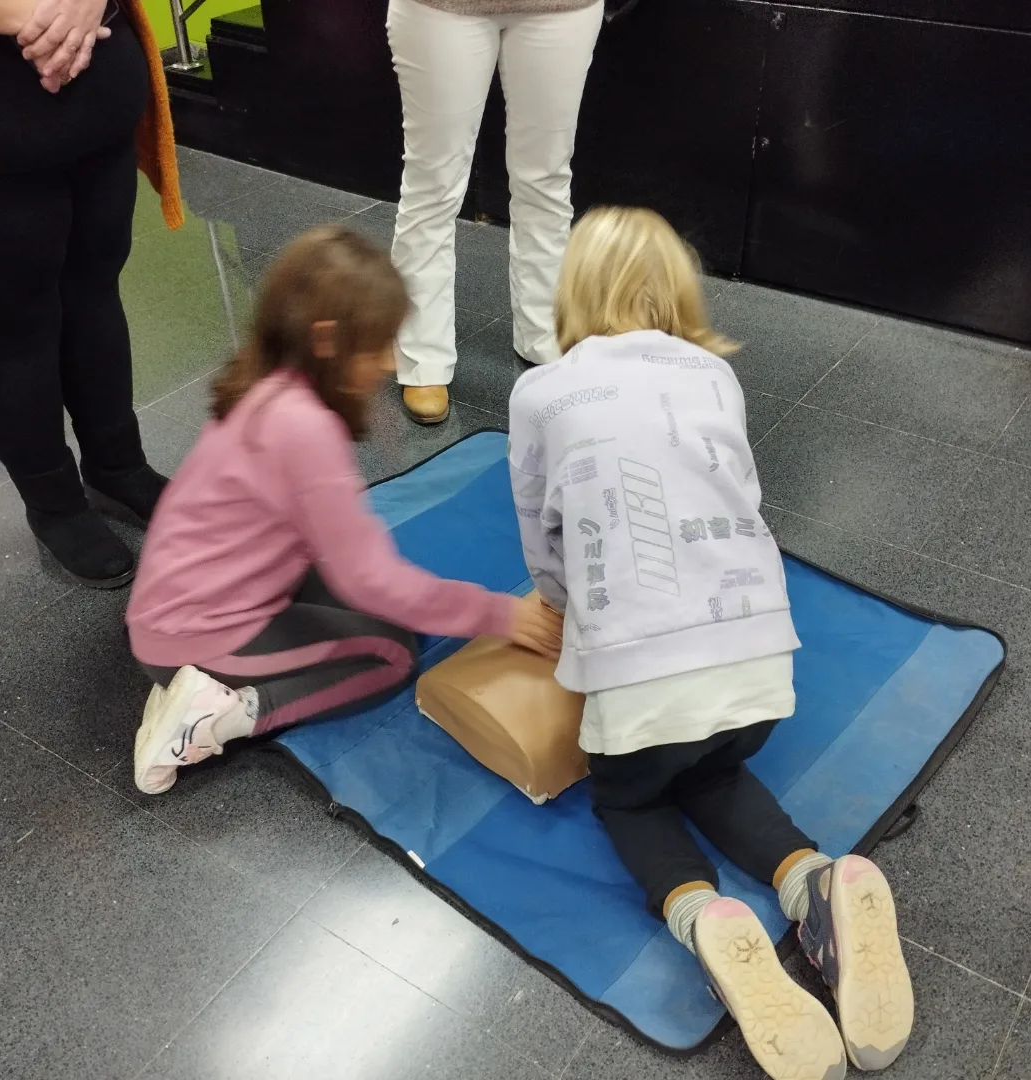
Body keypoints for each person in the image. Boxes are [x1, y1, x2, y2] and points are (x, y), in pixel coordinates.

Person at [507, 207, 914, 1079]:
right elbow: (742, 492)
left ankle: (702, 914)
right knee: (713, 770)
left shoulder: (540, 391)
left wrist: (558, 609)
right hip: (758, 659)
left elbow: (542, 532)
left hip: (641, 678)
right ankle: (809, 879)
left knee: (633, 799)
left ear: (571, 291)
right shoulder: (714, 375)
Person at [126, 227, 563, 795]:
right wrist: (497, 614)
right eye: (377, 345)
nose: (388, 361)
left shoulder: (267, 384)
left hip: (179, 604)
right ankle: (213, 719)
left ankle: (197, 682)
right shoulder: (305, 428)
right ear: (328, 339)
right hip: (192, 632)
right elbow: (371, 580)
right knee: (389, 655)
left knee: (395, 618)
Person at [0, 0, 182, 588]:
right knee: (5, 329)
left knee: (94, 294)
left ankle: (118, 467)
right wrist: (38, 17)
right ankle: (53, 502)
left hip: (98, 97)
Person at [386, 0, 604, 425]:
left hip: (562, 7)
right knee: (433, 187)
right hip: (441, 7)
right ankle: (422, 360)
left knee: (547, 180)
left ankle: (547, 336)